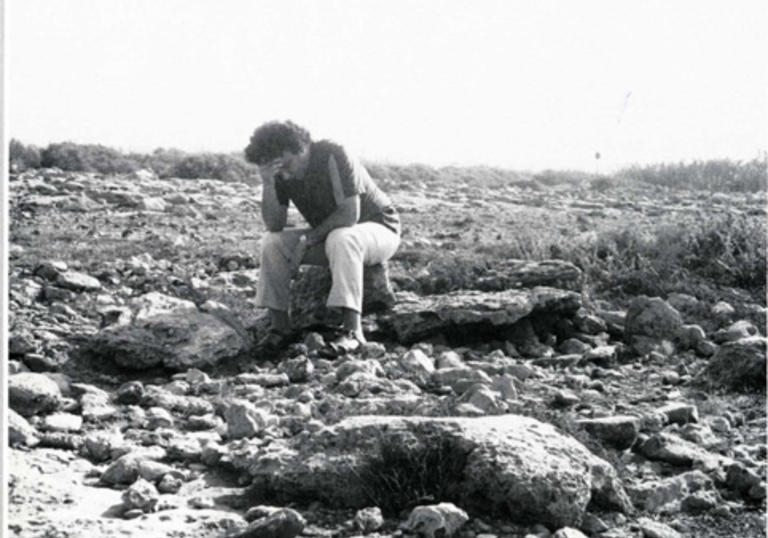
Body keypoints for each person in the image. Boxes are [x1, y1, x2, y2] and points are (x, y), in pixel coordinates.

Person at [245, 120, 401, 354]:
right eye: (274, 167)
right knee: (272, 243)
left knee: (342, 237)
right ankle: (280, 328)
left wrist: (306, 240)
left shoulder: (333, 154)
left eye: (283, 164)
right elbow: (275, 224)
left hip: (379, 230)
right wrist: (268, 182)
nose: (283, 174)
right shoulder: (279, 172)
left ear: (298, 148)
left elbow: (349, 214)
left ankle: (353, 332)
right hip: (333, 239)